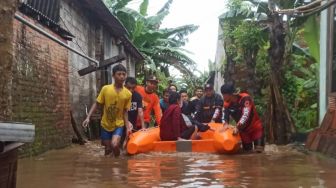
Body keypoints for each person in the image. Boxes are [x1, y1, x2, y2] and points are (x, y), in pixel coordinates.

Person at [82, 64, 131, 157]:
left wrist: (127, 127)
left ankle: (117, 163)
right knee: (108, 149)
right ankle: (109, 167)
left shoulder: (128, 94)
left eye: (124, 74)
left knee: (114, 144)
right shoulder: (106, 89)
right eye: (119, 74)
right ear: (113, 76)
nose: (121, 76)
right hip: (105, 124)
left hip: (118, 124)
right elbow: (97, 103)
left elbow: (125, 111)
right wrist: (88, 117)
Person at [220, 83, 264, 152]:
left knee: (259, 152)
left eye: (223, 95)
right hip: (243, 131)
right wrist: (225, 124)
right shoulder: (226, 103)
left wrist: (237, 127)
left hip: (255, 128)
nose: (223, 97)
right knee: (247, 153)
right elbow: (224, 115)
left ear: (230, 94)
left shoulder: (245, 99)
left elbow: (246, 115)